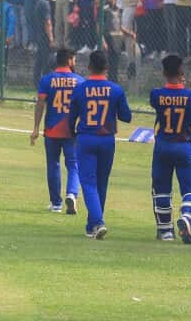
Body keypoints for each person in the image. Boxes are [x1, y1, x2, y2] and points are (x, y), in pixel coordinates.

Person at [68, 50, 132, 239]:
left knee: (88, 182)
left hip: (86, 138)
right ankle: (91, 226)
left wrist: (74, 135)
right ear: (107, 68)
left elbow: (71, 119)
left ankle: (98, 221)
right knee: (101, 183)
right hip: (107, 140)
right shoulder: (116, 90)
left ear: (89, 66)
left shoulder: (80, 89)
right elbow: (126, 117)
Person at [150, 55, 191, 244]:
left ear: (164, 73)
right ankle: (187, 216)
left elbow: (161, 102)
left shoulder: (156, 94)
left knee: (162, 189)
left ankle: (165, 231)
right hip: (183, 146)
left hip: (162, 146)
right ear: (182, 73)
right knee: (190, 188)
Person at [30, 49, 82, 214]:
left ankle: (56, 203)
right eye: (74, 59)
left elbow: (40, 104)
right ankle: (72, 194)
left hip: (52, 130)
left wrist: (36, 128)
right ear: (69, 60)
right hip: (71, 131)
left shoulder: (47, 80)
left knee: (53, 165)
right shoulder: (80, 81)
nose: (75, 62)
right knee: (73, 165)